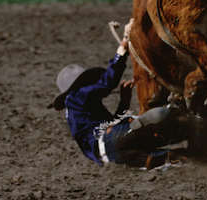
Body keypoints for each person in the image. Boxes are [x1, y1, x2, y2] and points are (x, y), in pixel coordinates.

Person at [50, 20, 186, 169]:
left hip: (110, 154)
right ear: (80, 84)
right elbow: (108, 82)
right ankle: (176, 116)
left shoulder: (82, 113)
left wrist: (124, 101)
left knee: (166, 159)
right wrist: (121, 51)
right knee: (154, 123)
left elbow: (111, 124)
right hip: (110, 141)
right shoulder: (77, 96)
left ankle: (164, 152)